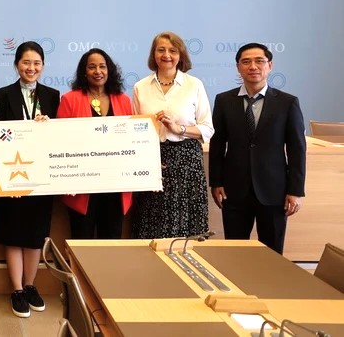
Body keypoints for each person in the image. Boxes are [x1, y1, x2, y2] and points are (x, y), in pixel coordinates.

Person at [209, 43, 306, 254]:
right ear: (238, 67)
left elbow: (297, 149)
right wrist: (216, 182)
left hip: (274, 190)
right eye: (246, 62)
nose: (253, 66)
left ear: (270, 65)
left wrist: (295, 190)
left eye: (259, 61)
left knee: (272, 253)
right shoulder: (224, 100)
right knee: (235, 251)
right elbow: (217, 144)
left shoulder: (287, 102)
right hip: (234, 189)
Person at [0, 41, 59, 319]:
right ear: (17, 64)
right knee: (13, 233)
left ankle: (31, 286)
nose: (31, 68)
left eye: (37, 63)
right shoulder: (2, 95)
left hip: (42, 177)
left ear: (42, 66)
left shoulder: (53, 96)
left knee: (34, 235)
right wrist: (9, 180)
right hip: (11, 176)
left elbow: (62, 137)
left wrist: (48, 127)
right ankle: (17, 290)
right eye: (26, 63)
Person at [131, 31, 214, 239]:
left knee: (186, 225)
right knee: (152, 222)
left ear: (181, 55)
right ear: (153, 54)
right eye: (161, 50)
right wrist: (146, 160)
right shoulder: (140, 87)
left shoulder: (194, 85)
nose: (166, 55)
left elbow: (207, 128)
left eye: (173, 50)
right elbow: (135, 131)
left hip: (187, 161)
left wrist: (180, 129)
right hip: (154, 161)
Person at [57, 48, 133, 239]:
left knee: (112, 243)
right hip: (82, 188)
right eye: (92, 67)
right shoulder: (69, 99)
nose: (98, 71)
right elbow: (61, 142)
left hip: (115, 186)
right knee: (82, 244)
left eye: (102, 67)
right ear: (84, 71)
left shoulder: (124, 101)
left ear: (109, 70)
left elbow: (133, 141)